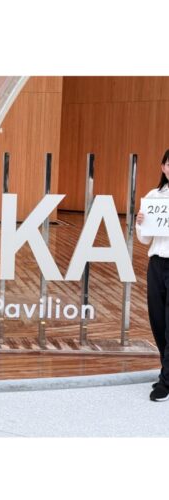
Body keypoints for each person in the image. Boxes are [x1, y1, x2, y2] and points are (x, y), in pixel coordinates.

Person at [136, 149, 169, 401]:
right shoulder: (153, 196)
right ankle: (167, 370)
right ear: (163, 167)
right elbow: (145, 239)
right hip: (156, 265)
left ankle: (166, 382)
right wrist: (141, 222)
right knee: (157, 321)